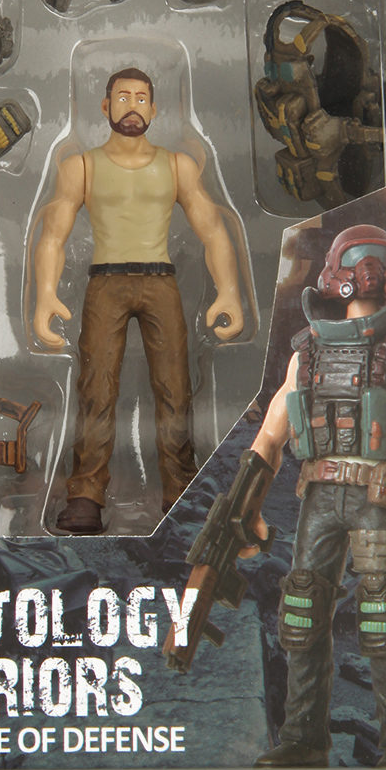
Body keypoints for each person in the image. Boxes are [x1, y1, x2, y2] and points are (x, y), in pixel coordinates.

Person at [241, 224, 386, 767]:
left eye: (377, 262)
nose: (368, 272)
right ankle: (303, 739)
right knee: (301, 611)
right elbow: (269, 436)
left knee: (383, 613)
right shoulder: (307, 355)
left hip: (379, 498)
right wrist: (245, 505)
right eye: (359, 261)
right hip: (319, 495)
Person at [33, 68, 243, 533]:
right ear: (105, 106)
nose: (133, 106)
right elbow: (53, 233)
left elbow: (213, 229)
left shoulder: (177, 165)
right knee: (96, 389)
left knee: (175, 390)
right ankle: (85, 495)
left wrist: (228, 289)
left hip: (160, 280)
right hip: (105, 283)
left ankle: (181, 491)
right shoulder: (82, 166)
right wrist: (45, 294)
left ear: (154, 107)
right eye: (123, 97)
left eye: (142, 98)